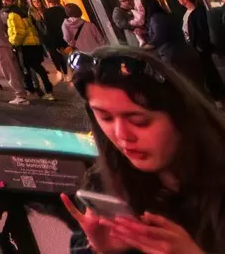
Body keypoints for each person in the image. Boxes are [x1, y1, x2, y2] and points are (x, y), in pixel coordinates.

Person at [61, 46, 225, 253]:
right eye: (105, 118)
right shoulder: (105, 181)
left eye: (140, 121)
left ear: (181, 118)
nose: (122, 135)